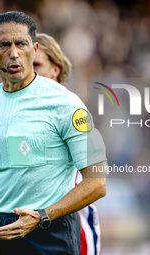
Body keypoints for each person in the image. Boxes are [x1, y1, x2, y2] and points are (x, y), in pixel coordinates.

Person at [0, 11, 107, 255]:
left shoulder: (65, 103)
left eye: (21, 44)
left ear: (34, 47)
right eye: (4, 45)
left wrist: (42, 216)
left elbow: (97, 183)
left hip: (51, 229)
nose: (13, 53)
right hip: (2, 230)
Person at [34, 33, 101, 255]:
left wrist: (47, 213)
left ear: (56, 69)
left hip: (70, 223)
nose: (29, 72)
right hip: (30, 222)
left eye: (36, 64)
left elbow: (98, 180)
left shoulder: (73, 110)